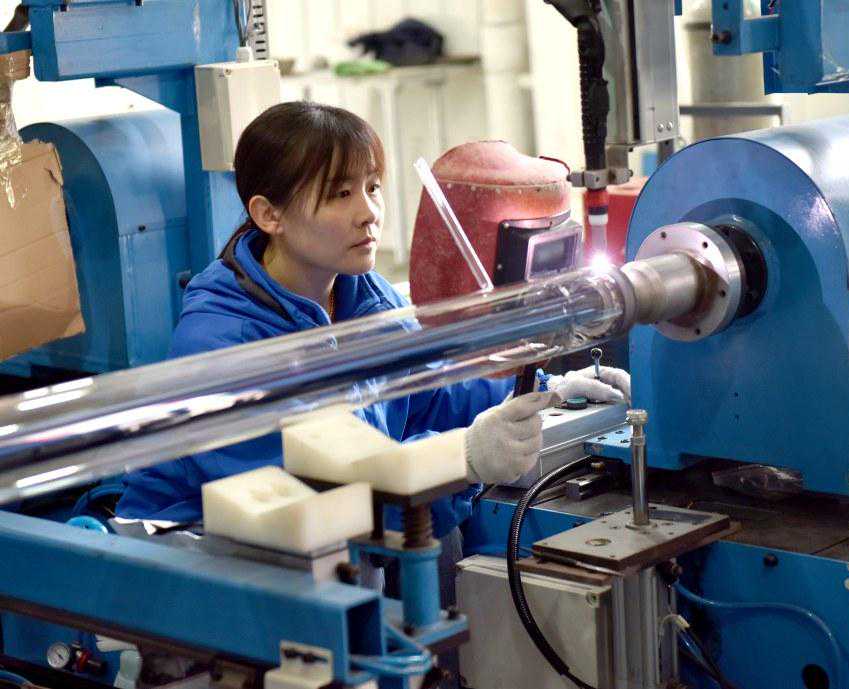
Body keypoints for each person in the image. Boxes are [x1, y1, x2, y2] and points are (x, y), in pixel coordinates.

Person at [115, 102, 630, 585]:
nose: (369, 212)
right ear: (270, 215)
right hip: (200, 567)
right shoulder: (226, 346)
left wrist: (543, 392)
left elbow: (430, 390)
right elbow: (320, 511)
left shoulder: (362, 294)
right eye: (340, 194)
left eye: (373, 187)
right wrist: (464, 458)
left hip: (331, 560)